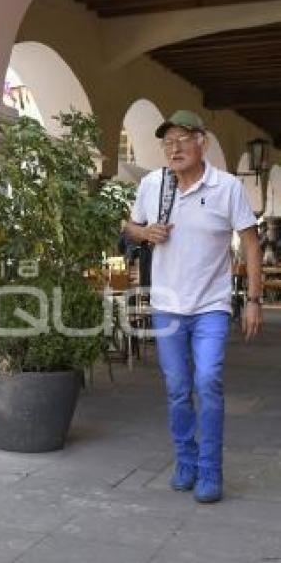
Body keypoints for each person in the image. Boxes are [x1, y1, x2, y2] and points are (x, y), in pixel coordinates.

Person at [125, 110, 262, 503]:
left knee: (208, 381)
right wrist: (144, 231)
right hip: (168, 305)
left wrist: (253, 300)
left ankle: (210, 469)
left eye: (183, 139)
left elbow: (251, 243)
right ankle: (185, 460)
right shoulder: (154, 185)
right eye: (168, 142)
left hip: (211, 306)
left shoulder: (227, 187)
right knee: (178, 388)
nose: (174, 148)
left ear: (202, 141)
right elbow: (129, 227)